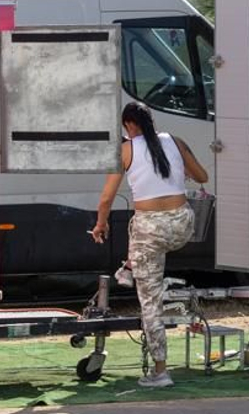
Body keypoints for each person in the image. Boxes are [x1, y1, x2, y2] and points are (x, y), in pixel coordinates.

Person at [90, 102, 210, 388]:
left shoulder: (125, 150)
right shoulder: (175, 142)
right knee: (142, 232)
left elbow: (106, 199)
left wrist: (100, 225)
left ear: (129, 125)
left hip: (150, 231)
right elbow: (203, 177)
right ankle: (130, 264)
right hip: (182, 225)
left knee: (150, 303)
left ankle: (160, 371)